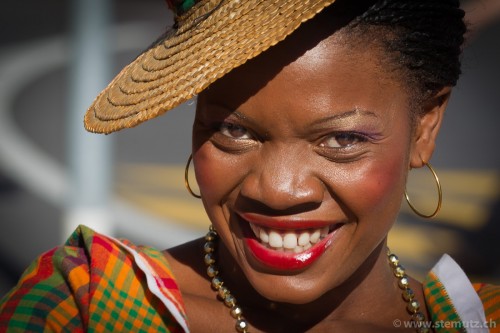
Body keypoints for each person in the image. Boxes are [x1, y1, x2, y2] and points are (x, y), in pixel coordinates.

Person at [1, 0, 499, 332]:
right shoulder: (89, 309)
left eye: (342, 139)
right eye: (234, 131)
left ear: (426, 127)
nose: (278, 190)